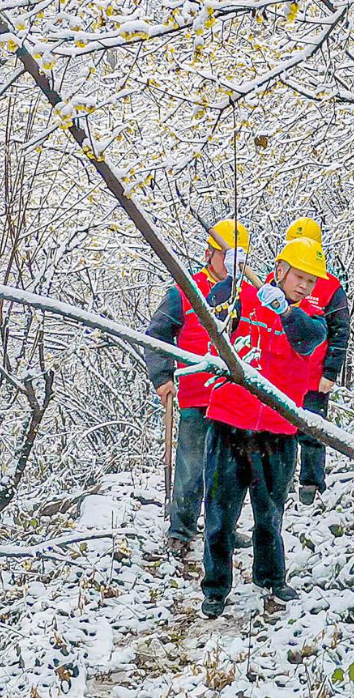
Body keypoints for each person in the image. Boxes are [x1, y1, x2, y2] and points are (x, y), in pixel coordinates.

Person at [200, 237, 328, 617]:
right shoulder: (246, 296)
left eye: (311, 280)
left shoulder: (313, 316)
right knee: (220, 513)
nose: (304, 286)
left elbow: (308, 340)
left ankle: (271, 578)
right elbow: (214, 308)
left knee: (270, 514)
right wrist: (233, 278)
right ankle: (215, 587)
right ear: (281, 269)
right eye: (299, 277)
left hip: (277, 431)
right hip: (229, 422)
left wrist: (286, 312)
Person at [144, 219, 253, 557]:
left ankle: (223, 528)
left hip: (235, 397)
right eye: (225, 254)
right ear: (210, 254)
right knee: (191, 465)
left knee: (229, 470)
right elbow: (158, 332)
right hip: (196, 394)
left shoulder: (247, 292)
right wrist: (162, 378)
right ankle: (181, 529)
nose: (230, 261)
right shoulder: (184, 290)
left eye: (237, 255)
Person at [284, 218, 350, 505]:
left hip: (314, 376)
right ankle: (282, 483)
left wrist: (331, 372)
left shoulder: (330, 287)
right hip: (282, 375)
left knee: (312, 432)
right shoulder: (277, 281)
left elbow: (340, 332)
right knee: (282, 430)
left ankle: (311, 484)